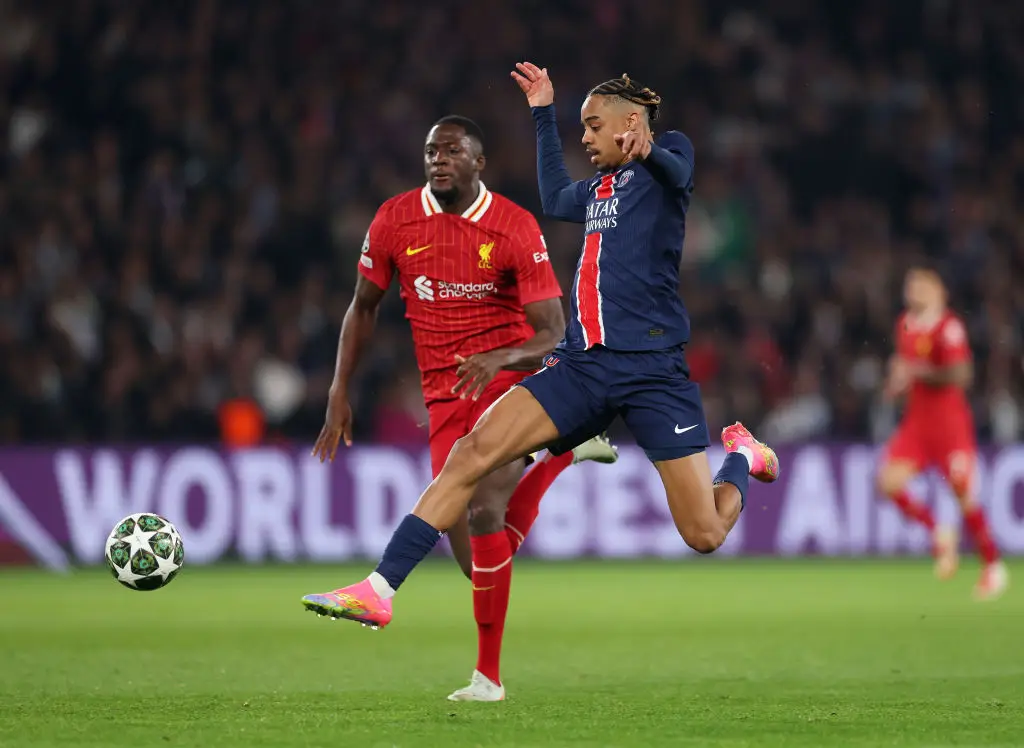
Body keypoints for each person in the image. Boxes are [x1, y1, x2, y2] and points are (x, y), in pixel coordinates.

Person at [301, 64, 779, 692]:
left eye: (593, 126)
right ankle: (380, 588)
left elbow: (679, 171)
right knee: (471, 454)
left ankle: (743, 456)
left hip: (653, 372)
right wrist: (542, 113)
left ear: (630, 123)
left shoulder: (668, 161)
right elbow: (553, 197)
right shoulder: (599, 191)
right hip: (583, 366)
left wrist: (651, 151)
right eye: (581, 127)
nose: (585, 137)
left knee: (705, 533)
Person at [307, 114, 618, 701]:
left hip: (513, 383)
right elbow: (363, 307)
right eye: (432, 151)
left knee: (482, 507)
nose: (439, 159)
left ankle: (478, 670)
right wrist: (338, 390)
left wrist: (499, 358)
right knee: (477, 561)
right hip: (445, 395)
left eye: (451, 151)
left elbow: (554, 332)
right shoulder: (395, 219)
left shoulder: (513, 226)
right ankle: (560, 459)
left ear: (479, 162)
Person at [877, 266, 1007, 600]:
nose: (913, 291)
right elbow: (905, 369)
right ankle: (939, 532)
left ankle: (992, 565)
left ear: (938, 291)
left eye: (920, 285)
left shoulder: (949, 327)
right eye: (910, 285)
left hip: (950, 426)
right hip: (917, 425)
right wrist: (897, 384)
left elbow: (961, 375)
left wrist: (918, 371)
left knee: (963, 492)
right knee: (888, 483)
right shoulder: (905, 324)